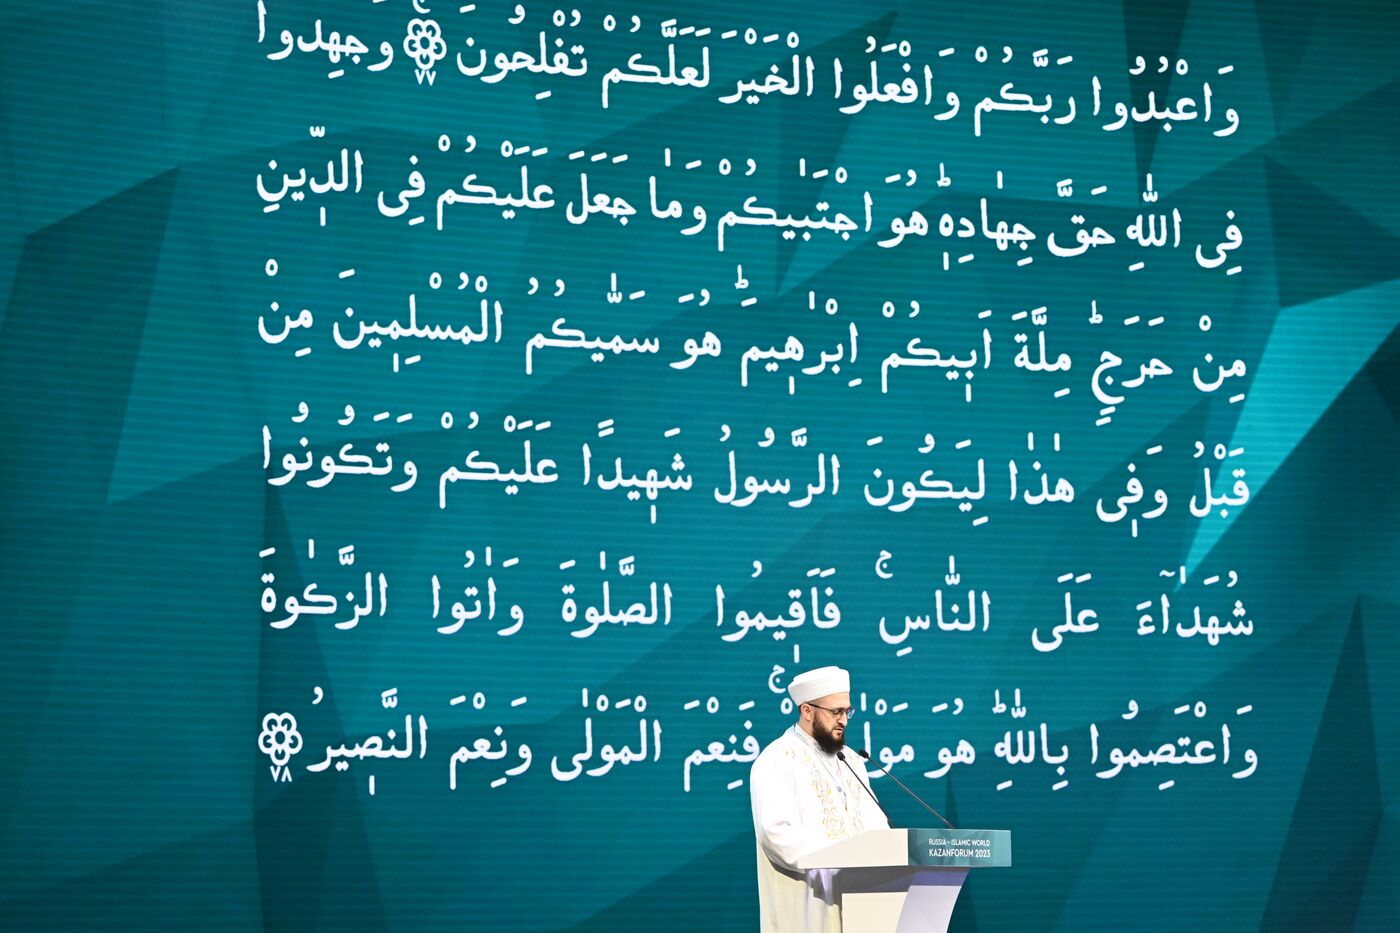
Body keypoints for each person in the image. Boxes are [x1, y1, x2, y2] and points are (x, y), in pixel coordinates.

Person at [749, 665, 890, 932]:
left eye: (847, 711)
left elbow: (876, 825)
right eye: (835, 712)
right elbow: (775, 834)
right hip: (808, 909)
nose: (843, 720)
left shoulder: (851, 760)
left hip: (862, 904)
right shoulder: (776, 760)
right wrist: (840, 859)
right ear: (807, 711)